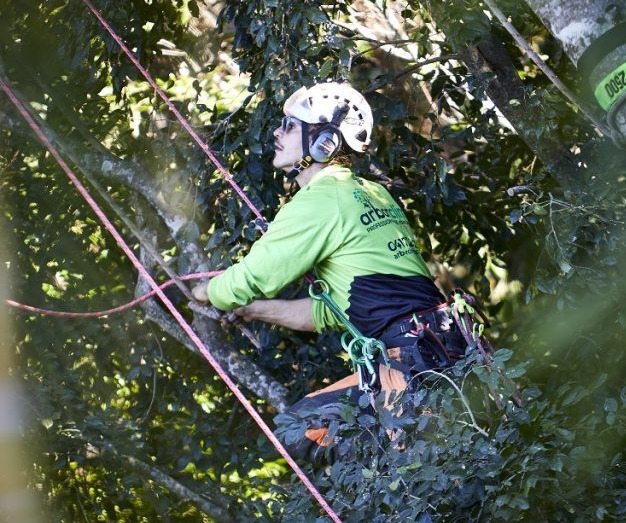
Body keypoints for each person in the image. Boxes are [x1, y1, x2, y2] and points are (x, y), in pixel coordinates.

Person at [192, 82, 469, 463]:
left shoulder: (320, 200)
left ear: (322, 142)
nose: (277, 131)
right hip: (442, 347)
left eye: (289, 125)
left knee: (298, 429)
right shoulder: (371, 193)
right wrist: (255, 310)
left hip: (409, 362)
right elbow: (328, 311)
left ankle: (380, 482)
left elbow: (252, 277)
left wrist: (211, 292)